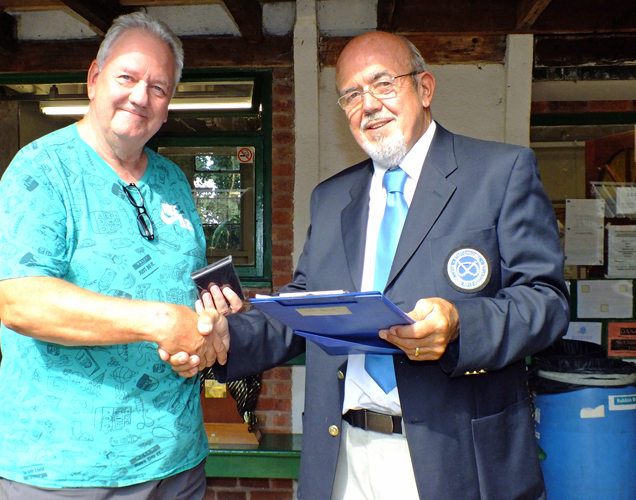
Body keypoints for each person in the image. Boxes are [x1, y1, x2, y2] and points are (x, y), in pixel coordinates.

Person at [169, 31, 570, 500]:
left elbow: (546, 302)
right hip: (344, 460)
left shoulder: (500, 173)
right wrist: (227, 338)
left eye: (384, 84)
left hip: (458, 457)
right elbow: (305, 309)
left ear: (424, 88)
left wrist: (461, 324)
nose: (369, 105)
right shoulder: (332, 197)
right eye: (352, 94)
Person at [0, 12, 239, 500]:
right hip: (65, 469)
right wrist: (160, 321)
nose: (141, 96)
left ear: (168, 107)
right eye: (128, 77)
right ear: (95, 78)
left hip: (176, 461)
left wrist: (210, 329)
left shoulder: (174, 182)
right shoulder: (40, 168)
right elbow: (22, 303)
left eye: (159, 88)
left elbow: (190, 289)